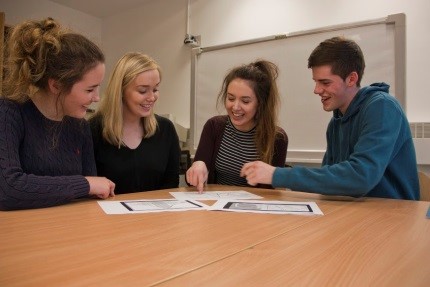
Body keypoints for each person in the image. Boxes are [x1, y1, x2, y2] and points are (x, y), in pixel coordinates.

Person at [241, 36, 419, 200]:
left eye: (325, 82)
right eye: (315, 82)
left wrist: (276, 175)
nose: (316, 90)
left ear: (351, 79)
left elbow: (360, 177)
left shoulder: (382, 108)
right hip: (358, 212)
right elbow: (332, 179)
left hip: (393, 217)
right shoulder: (336, 122)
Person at [0, 18, 115, 211]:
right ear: (56, 85)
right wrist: (84, 184)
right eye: (89, 90)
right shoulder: (9, 112)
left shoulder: (80, 126)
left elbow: (91, 192)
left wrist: (88, 185)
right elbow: (8, 189)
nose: (96, 98)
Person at [186, 60, 289, 192]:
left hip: (253, 209)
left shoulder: (277, 138)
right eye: (230, 98)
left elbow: (273, 190)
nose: (235, 107)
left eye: (245, 101)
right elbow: (194, 183)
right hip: (214, 206)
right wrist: (197, 167)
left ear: (261, 103)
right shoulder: (214, 127)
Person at [89, 52, 180, 194]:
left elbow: (171, 186)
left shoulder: (165, 129)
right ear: (121, 91)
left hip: (157, 214)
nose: (152, 97)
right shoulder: (93, 129)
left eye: (155, 89)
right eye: (143, 91)